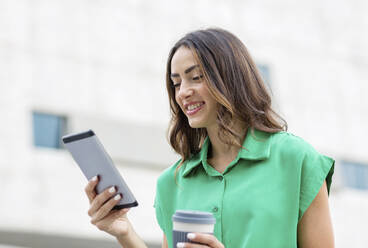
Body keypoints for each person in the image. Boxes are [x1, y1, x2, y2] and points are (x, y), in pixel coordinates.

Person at [84, 28, 335, 248]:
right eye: (176, 83)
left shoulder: (295, 159)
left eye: (196, 77)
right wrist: (124, 231)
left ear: (230, 78)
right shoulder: (172, 182)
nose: (183, 92)